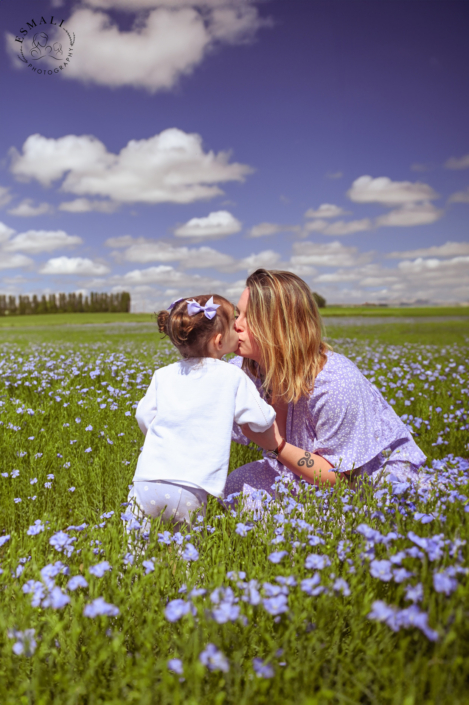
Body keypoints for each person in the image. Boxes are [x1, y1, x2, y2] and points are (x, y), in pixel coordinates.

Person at [224, 269, 426, 498]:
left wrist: (277, 446)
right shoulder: (247, 367)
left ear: (281, 327)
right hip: (297, 469)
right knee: (236, 488)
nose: (236, 325)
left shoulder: (335, 383)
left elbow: (339, 476)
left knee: (320, 522)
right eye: (237, 314)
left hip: (365, 479)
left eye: (248, 318)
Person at [127, 294, 276, 534]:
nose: (238, 328)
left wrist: (160, 436)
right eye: (232, 326)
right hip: (191, 487)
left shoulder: (162, 375)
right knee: (188, 551)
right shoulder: (232, 376)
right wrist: (271, 409)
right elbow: (260, 418)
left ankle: (128, 572)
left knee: (135, 547)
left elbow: (143, 417)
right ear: (219, 341)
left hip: (145, 482)